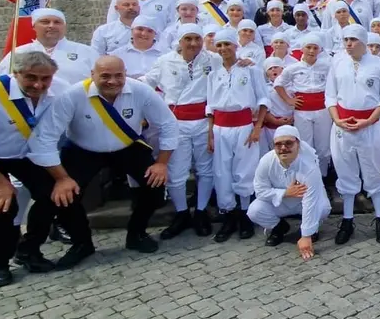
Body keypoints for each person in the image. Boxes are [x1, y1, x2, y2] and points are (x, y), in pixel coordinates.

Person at [26, 56, 180, 266]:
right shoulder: (72, 96)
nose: (113, 81)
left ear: (125, 74)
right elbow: (46, 137)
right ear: (92, 75)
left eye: (119, 75)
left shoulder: (141, 91)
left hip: (127, 146)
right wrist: (61, 178)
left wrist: (161, 163)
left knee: (155, 187)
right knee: (65, 196)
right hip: (83, 150)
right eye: (105, 76)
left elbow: (168, 124)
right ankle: (82, 243)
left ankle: (137, 234)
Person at [0, 52, 88, 287]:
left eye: (45, 79)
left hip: (24, 153)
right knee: (4, 206)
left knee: (53, 195)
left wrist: (62, 178)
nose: (38, 84)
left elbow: (46, 137)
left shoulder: (59, 92)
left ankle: (28, 250)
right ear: (16, 74)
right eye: (31, 78)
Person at [142, 24, 217, 239]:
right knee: (176, 172)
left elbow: (230, 66)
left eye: (197, 38)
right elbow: (147, 82)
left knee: (205, 169)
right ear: (180, 40)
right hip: (176, 123)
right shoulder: (165, 61)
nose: (193, 43)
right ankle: (182, 213)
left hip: (203, 121)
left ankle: (201, 212)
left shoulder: (211, 58)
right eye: (188, 39)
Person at [326, 24, 380, 246]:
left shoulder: (379, 64)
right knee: (345, 173)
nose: (349, 44)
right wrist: (336, 120)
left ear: (363, 41)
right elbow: (331, 96)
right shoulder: (338, 63)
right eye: (346, 40)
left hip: (370, 125)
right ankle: (347, 219)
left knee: (373, 171)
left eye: (353, 40)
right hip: (342, 126)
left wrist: (369, 120)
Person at [206, 29, 269, 243]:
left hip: (244, 125)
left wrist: (258, 127)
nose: (224, 49)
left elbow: (263, 100)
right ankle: (229, 215)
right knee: (222, 172)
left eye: (228, 45)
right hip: (220, 128)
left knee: (244, 170)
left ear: (235, 46)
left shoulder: (250, 71)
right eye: (220, 45)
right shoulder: (214, 74)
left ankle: (244, 215)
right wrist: (210, 134)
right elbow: (211, 106)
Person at [247, 125, 330, 257]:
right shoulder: (266, 161)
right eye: (278, 144)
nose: (283, 148)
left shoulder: (309, 167)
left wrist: (306, 236)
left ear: (298, 144)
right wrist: (285, 193)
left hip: (303, 202)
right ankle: (279, 228)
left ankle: (312, 229)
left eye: (288, 143)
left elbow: (311, 201)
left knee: (323, 207)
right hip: (281, 202)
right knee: (254, 210)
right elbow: (260, 191)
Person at [274, 33, 333, 176]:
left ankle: (322, 177)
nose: (312, 51)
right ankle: (307, 175)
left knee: (323, 145)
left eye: (315, 48)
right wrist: (289, 100)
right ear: (302, 49)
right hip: (302, 112)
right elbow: (278, 84)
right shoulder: (293, 68)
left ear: (320, 50)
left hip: (322, 110)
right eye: (308, 47)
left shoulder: (327, 66)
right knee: (305, 144)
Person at [0, 8, 99, 88]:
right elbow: (0, 84)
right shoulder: (19, 53)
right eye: (45, 22)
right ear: (34, 26)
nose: (51, 26)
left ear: (64, 26)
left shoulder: (86, 52)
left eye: (57, 22)